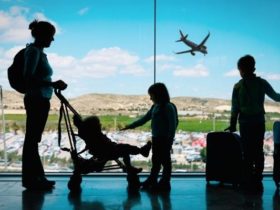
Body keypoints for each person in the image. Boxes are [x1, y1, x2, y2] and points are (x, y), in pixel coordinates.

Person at [22, 20, 67, 190]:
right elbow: (28, 77)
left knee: (33, 140)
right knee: (32, 140)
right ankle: (33, 179)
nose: (53, 40)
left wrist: (51, 84)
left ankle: (37, 178)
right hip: (36, 100)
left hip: (39, 99)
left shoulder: (38, 52)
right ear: (42, 36)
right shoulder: (33, 52)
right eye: (51, 36)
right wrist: (52, 83)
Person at [226, 54, 280, 191]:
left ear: (241, 69)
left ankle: (248, 178)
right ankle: (257, 177)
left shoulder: (238, 86)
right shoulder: (261, 83)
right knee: (258, 150)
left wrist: (232, 124)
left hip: (245, 123)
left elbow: (235, 108)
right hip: (258, 122)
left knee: (247, 152)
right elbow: (276, 97)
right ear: (253, 67)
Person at [122, 83, 178, 191]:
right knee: (156, 161)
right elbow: (144, 119)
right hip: (156, 138)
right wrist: (130, 126)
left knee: (165, 162)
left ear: (158, 94)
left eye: (151, 94)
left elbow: (172, 125)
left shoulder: (168, 107)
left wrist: (169, 141)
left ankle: (164, 183)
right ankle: (153, 180)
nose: (150, 97)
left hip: (164, 139)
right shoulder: (155, 106)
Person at [73, 115, 152, 174]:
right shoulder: (94, 135)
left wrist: (79, 123)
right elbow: (82, 130)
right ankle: (141, 153)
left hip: (107, 150)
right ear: (94, 127)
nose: (100, 125)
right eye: (98, 124)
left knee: (124, 149)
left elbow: (81, 129)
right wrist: (79, 123)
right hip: (107, 152)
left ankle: (131, 165)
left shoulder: (92, 134)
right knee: (125, 148)